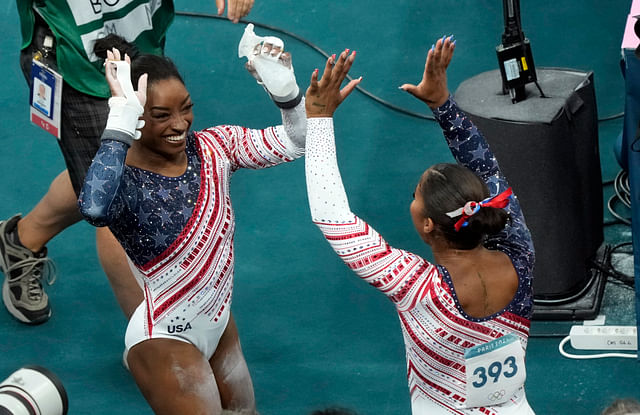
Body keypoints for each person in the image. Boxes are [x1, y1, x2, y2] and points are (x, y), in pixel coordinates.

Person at [77, 30, 306, 413]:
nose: (180, 123)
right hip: (162, 339)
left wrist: (287, 95)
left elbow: (299, 141)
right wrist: (118, 122)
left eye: (186, 108)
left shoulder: (216, 147)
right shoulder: (127, 183)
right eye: (161, 115)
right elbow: (93, 208)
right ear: (135, 114)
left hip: (218, 322)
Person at [304, 39, 535, 414]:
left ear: (428, 225)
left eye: (414, 195)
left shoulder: (416, 286)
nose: (410, 200)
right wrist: (442, 104)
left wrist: (318, 119)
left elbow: (333, 215)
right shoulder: (520, 255)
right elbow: (488, 171)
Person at [1, 0, 255, 325]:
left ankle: (22, 239)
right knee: (118, 198)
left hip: (134, 32)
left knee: (115, 165)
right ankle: (155, 333)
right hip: (75, 55)